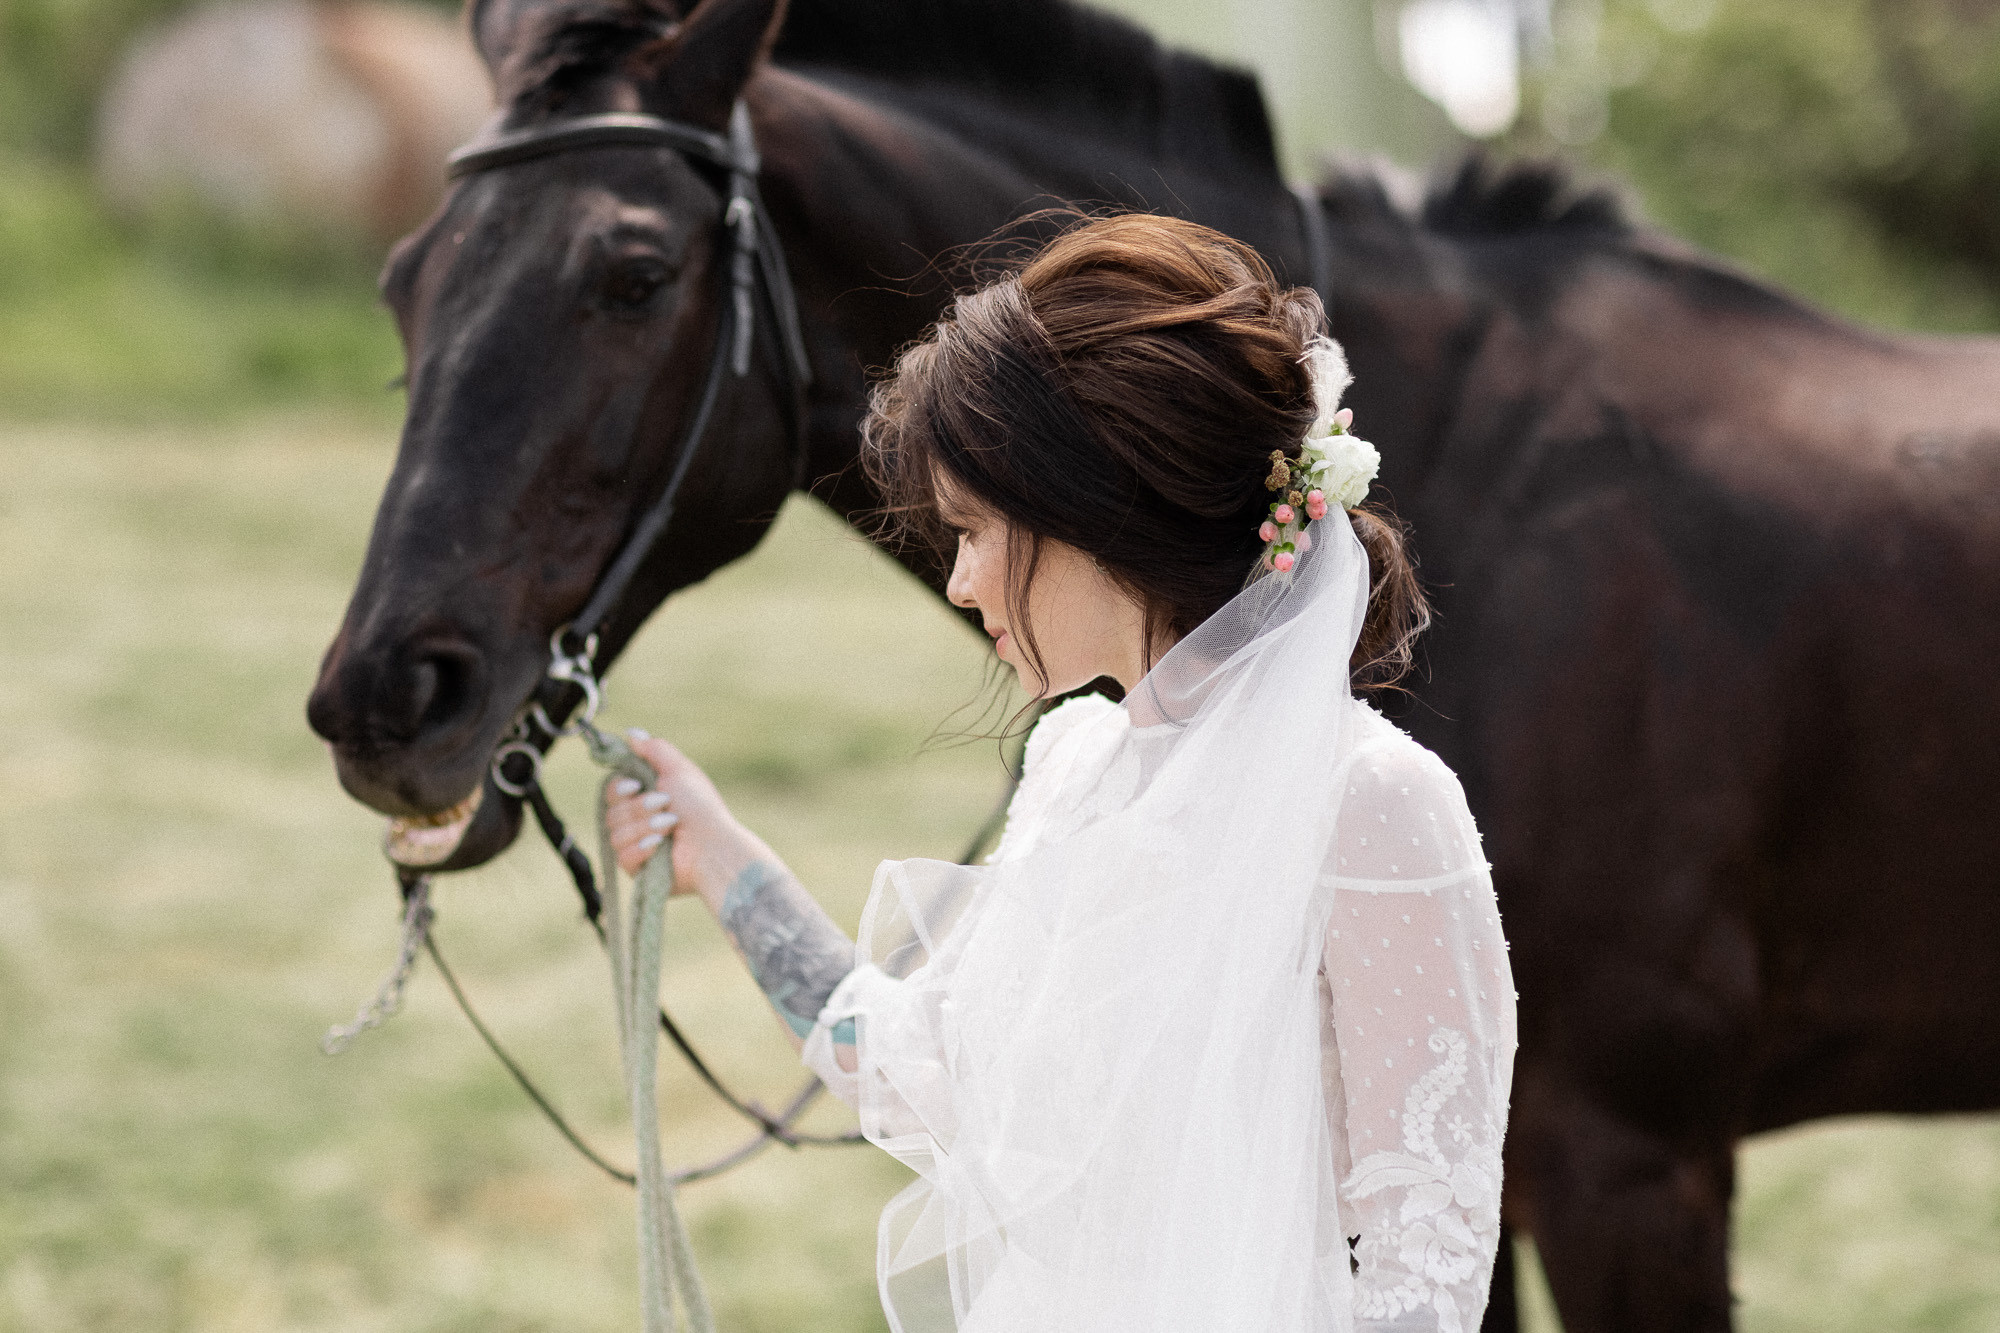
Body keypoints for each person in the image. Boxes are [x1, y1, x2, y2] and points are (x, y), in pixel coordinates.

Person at [605, 214, 1516, 1333]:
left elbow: (1429, 1272)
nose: (958, 579)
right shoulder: (1073, 768)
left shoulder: (1371, 805)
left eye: (975, 530)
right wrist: (723, 861)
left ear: (1095, 510)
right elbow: (917, 1074)